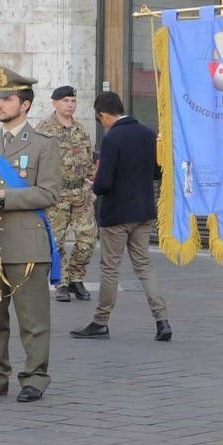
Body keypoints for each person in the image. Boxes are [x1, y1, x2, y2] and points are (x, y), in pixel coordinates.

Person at [0, 66, 61, 402]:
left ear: (25, 104)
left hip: (27, 245)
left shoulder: (44, 145)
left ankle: (34, 378)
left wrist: (2, 196)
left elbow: (49, 194)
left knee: (33, 320)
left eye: (7, 98)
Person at [70, 93, 171, 344]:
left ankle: (101, 321)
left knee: (110, 268)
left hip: (117, 215)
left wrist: (94, 190)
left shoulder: (112, 137)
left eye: (100, 119)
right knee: (144, 266)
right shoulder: (148, 134)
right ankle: (162, 320)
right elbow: (158, 172)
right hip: (144, 211)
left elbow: (104, 180)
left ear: (103, 114)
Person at [36, 85, 96, 302]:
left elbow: (88, 163)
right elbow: (36, 163)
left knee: (88, 239)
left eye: (72, 101)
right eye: (65, 101)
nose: (70, 105)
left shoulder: (81, 130)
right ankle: (61, 282)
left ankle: (76, 278)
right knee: (56, 240)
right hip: (56, 194)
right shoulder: (43, 130)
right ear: (54, 103)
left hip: (81, 193)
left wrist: (91, 185)